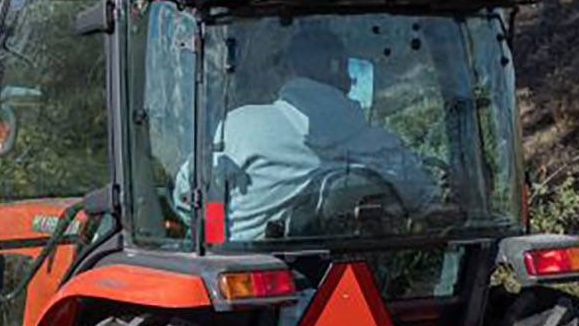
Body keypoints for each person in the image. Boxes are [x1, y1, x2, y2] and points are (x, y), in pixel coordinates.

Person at [179, 22, 443, 242]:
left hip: (259, 288)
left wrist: (216, 235)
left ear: (289, 72)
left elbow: (187, 194)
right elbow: (430, 204)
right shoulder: (384, 148)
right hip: (373, 286)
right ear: (344, 77)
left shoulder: (239, 127)